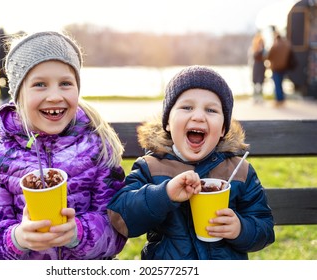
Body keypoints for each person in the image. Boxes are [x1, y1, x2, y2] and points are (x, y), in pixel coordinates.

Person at [0, 31, 127, 260]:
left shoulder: (98, 147)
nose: (54, 96)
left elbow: (118, 230)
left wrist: (79, 234)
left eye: (65, 83)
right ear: (18, 94)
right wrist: (17, 238)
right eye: (40, 84)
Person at [107, 65, 275, 260]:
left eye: (211, 110)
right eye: (186, 107)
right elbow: (121, 219)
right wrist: (164, 193)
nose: (198, 116)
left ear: (222, 129)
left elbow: (265, 229)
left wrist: (241, 229)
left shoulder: (240, 171)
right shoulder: (151, 167)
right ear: (168, 122)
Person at [267, 27, 292, 107]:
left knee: (277, 84)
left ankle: (279, 100)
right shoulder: (286, 45)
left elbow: (269, 56)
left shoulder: (275, 45)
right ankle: (282, 99)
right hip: (283, 67)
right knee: (280, 84)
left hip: (276, 68)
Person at [249, 30, 266, 104]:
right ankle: (255, 98)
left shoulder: (263, 50)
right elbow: (252, 58)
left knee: (261, 83)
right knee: (255, 82)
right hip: (256, 66)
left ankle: (260, 97)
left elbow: (265, 57)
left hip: (261, 66)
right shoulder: (254, 49)